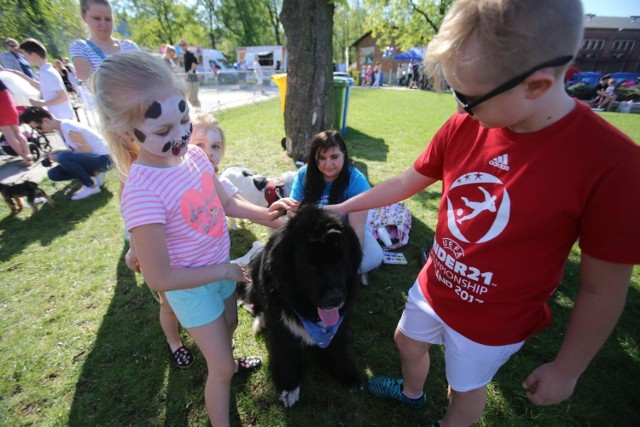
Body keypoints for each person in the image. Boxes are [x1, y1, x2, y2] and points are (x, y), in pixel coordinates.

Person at [325, 0, 640, 425]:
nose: (461, 109)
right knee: (405, 341)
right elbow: (405, 182)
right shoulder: (464, 126)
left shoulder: (613, 165)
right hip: (435, 285)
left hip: (493, 323)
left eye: (468, 96)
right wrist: (341, 207)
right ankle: (413, 393)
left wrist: (567, 369)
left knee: (463, 390)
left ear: (536, 85)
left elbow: (602, 290)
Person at [92, 51, 294, 425]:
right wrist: (225, 270)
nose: (182, 135)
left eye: (183, 118)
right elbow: (160, 278)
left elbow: (226, 200)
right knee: (219, 370)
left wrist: (266, 215)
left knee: (230, 326)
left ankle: (229, 359)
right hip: (191, 287)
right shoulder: (141, 193)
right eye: (163, 130)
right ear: (126, 133)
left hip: (220, 273)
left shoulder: (196, 159)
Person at [285, 130, 383, 281]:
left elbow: (357, 231)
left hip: (344, 234)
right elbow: (291, 216)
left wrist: (351, 261)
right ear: (314, 158)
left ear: (344, 154)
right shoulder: (304, 174)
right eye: (322, 158)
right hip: (311, 234)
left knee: (374, 256)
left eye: (334, 157)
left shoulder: (356, 180)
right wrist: (292, 212)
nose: (328, 164)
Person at [20, 106, 112, 200]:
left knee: (63, 158)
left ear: (46, 120)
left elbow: (86, 150)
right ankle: (96, 173)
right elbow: (78, 150)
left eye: (38, 127)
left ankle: (91, 187)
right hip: (94, 158)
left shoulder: (67, 126)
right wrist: (59, 152)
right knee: (54, 174)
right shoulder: (60, 129)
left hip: (104, 159)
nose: (40, 130)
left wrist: (58, 157)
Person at [70, 0, 139, 83]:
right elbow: (91, 85)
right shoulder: (81, 47)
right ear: (84, 16)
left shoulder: (130, 46)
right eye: (97, 18)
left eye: (108, 19)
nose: (103, 24)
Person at [9, 38, 75, 121]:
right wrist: (22, 76)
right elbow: (43, 87)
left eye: (25, 55)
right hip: (60, 114)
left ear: (34, 55)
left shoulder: (47, 73)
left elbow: (63, 97)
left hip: (62, 115)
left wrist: (41, 104)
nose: (24, 58)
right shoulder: (45, 71)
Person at [0, 69, 33, 166]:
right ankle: (29, 154)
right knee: (17, 132)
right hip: (9, 104)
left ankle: (25, 158)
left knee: (9, 136)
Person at [179, 39, 201, 107]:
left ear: (187, 45)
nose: (182, 46)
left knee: (193, 97)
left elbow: (195, 62)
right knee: (190, 98)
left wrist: (191, 70)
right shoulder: (185, 55)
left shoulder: (190, 53)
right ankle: (198, 110)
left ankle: (200, 111)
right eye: (181, 45)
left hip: (193, 78)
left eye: (184, 45)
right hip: (188, 79)